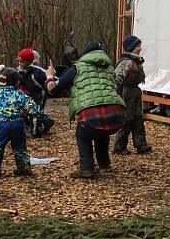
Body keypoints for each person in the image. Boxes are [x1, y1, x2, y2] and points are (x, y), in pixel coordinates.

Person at [46, 41, 125, 179]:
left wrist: (49, 76)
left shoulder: (77, 68)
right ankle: (104, 164)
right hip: (116, 113)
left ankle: (87, 169)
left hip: (91, 115)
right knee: (101, 129)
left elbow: (53, 90)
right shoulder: (109, 68)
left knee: (83, 134)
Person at [0, 67, 39, 179]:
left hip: (2, 124)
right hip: (17, 123)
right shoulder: (19, 94)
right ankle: (23, 168)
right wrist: (39, 115)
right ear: (17, 82)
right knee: (20, 147)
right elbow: (31, 106)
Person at [16, 48, 54, 137]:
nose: (19, 64)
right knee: (30, 109)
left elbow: (50, 75)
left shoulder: (38, 71)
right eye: (18, 61)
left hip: (40, 93)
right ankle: (47, 120)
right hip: (29, 93)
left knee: (35, 112)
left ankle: (36, 132)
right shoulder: (20, 71)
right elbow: (19, 82)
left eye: (21, 62)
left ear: (28, 62)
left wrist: (51, 78)